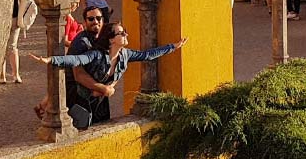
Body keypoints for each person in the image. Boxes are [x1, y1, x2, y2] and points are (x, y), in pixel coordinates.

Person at [30, 23, 188, 126]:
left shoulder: (125, 55)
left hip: (100, 103)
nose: (125, 35)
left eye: (124, 32)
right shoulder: (97, 55)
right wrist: (51, 60)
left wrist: (173, 47)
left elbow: (147, 55)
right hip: (81, 100)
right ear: (111, 40)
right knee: (79, 128)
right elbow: (77, 59)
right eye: (121, 33)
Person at [34, 4, 110, 120]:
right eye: (91, 19)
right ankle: (43, 108)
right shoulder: (81, 42)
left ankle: (42, 107)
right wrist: (103, 89)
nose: (95, 21)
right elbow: (78, 75)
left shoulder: (100, 39)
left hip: (91, 93)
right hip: (78, 93)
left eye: (98, 18)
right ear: (85, 22)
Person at [3, 0, 34, 84]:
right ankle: (14, 75)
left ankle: (5, 76)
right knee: (12, 47)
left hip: (10, 18)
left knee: (6, 47)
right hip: (14, 17)